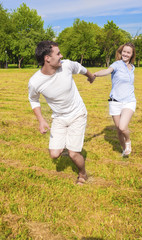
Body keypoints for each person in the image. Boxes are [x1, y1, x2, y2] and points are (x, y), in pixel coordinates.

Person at [28, 40, 95, 184]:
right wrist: (41, 120)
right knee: (54, 154)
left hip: (78, 114)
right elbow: (34, 100)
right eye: (58, 53)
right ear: (47, 58)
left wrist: (90, 76)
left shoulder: (66, 66)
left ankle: (82, 174)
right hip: (59, 118)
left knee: (73, 153)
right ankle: (67, 144)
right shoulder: (35, 82)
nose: (61, 55)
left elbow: (80, 67)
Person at [93, 42, 136, 157]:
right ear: (121, 52)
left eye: (128, 52)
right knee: (118, 129)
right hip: (115, 102)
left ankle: (128, 141)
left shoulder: (132, 67)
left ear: (132, 54)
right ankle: (124, 150)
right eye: (124, 51)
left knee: (122, 127)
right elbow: (107, 71)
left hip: (129, 101)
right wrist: (96, 74)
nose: (125, 54)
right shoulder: (117, 64)